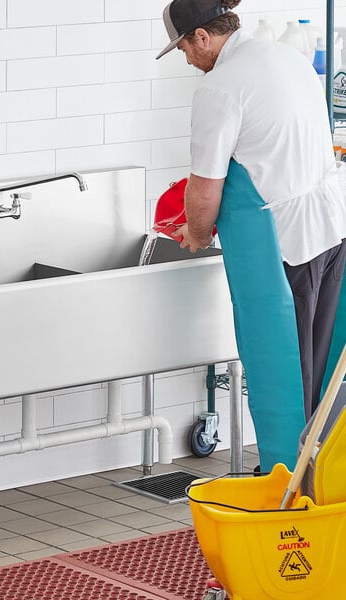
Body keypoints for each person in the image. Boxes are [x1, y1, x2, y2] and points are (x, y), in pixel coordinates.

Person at [156, 0, 346, 470]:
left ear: (203, 36)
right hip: (332, 228)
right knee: (324, 371)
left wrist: (197, 234)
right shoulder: (285, 57)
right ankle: (322, 475)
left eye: (183, 47)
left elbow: (205, 186)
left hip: (284, 246)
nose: (187, 59)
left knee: (285, 368)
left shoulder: (220, 88)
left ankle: (285, 482)